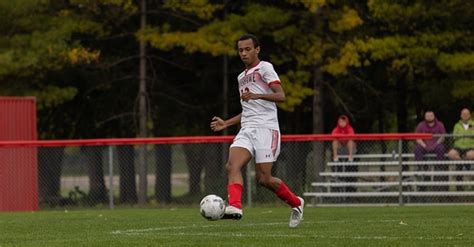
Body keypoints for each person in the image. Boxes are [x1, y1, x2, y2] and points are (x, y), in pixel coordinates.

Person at [210, 34, 304, 228]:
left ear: (257, 49)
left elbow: (281, 96)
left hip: (266, 128)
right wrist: (226, 123)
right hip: (247, 128)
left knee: (264, 179)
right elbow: (248, 110)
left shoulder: (265, 68)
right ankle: (235, 207)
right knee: (231, 166)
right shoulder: (241, 77)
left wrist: (257, 95)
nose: (243, 53)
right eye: (240, 50)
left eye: (247, 49)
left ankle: (297, 203)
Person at [413, 110, 447, 191]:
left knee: (441, 148)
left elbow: (443, 137)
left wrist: (435, 145)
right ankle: (420, 167)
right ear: (425, 117)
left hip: (436, 144)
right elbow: (417, 138)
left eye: (431, 115)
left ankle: (439, 167)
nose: (429, 117)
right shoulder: (420, 125)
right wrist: (424, 146)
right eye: (427, 116)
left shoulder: (440, 124)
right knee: (417, 149)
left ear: (434, 116)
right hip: (424, 145)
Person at [448, 108, 474, 191]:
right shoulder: (457, 125)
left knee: (471, 154)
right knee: (451, 153)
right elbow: (455, 136)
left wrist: (462, 134)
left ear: (469, 115)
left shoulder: (473, 124)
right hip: (458, 146)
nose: (465, 115)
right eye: (463, 114)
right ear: (461, 115)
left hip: (470, 146)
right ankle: (463, 162)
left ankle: (463, 164)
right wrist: (468, 133)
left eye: (467, 114)